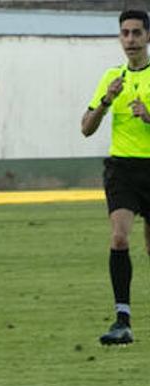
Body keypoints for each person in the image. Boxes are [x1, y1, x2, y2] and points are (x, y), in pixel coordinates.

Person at [82, 9, 150, 346]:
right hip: (122, 169)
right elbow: (85, 128)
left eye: (137, 33)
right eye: (125, 33)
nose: (130, 40)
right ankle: (122, 321)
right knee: (119, 238)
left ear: (148, 37)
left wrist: (149, 118)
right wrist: (107, 100)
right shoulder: (112, 77)